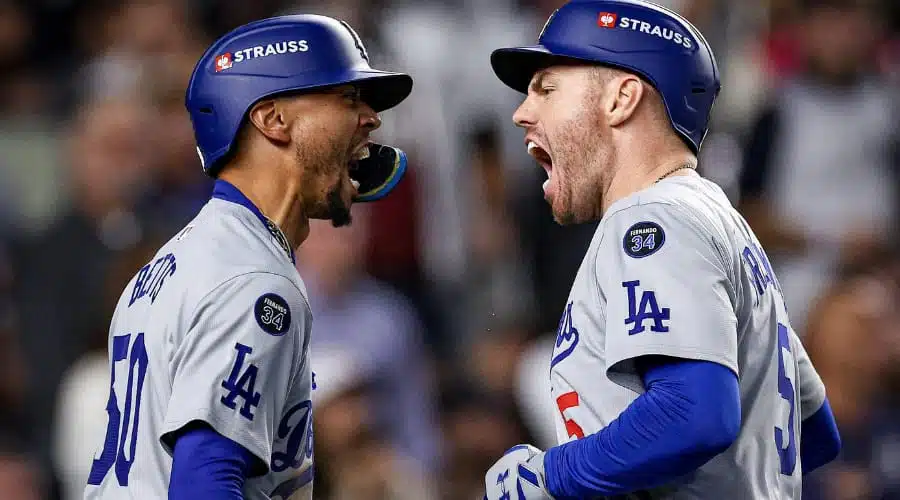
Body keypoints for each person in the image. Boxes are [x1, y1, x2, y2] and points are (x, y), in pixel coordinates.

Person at [482, 1, 841, 499]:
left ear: (621, 99)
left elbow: (694, 415)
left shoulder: (652, 218)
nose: (522, 112)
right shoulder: (726, 225)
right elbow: (814, 432)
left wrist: (551, 476)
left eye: (547, 88)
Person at [82, 14, 412, 500]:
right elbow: (205, 482)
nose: (371, 118)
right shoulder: (254, 280)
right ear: (272, 119)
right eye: (347, 98)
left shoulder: (176, 259)